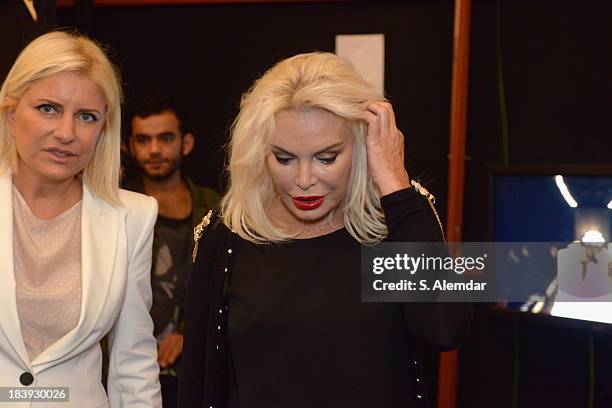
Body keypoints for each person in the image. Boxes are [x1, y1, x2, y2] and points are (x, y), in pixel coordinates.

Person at [178, 52, 472, 407]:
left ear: (362, 145)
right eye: (284, 159)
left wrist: (395, 181)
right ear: (259, 153)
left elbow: (444, 328)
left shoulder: (395, 220)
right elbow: (196, 379)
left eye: (327, 158)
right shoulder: (228, 236)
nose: (304, 181)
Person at [0, 31, 161, 407]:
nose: (66, 133)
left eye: (86, 117)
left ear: (103, 129)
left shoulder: (132, 218)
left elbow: (134, 363)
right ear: (10, 113)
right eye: (48, 109)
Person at [124, 93, 220, 408]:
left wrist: (186, 332)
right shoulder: (115, 208)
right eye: (143, 139)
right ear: (130, 146)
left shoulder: (217, 209)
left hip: (199, 374)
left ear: (186, 143)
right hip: (129, 372)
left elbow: (226, 288)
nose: (154, 150)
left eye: (165, 138)